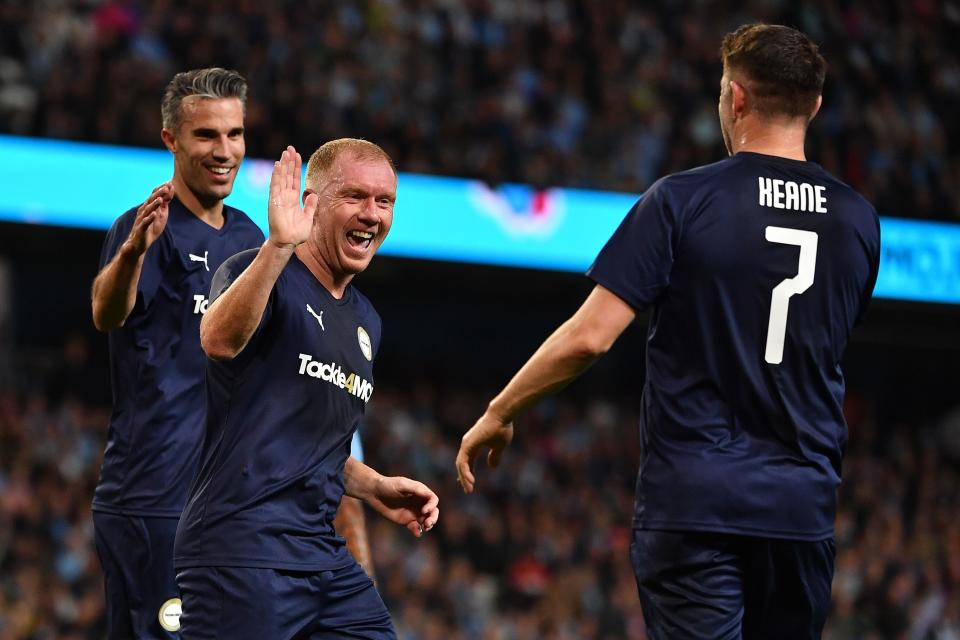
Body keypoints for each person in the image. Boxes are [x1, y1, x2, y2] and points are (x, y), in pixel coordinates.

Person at [456, 23, 881, 640]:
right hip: (800, 511)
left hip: (697, 505)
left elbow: (590, 337)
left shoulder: (682, 201)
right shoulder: (859, 221)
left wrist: (500, 410)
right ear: (814, 104)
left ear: (735, 97)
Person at [173, 141, 440, 639]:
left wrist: (375, 485)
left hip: (320, 557)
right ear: (312, 203)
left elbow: (314, 450)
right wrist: (277, 248)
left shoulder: (366, 322)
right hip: (242, 550)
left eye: (385, 202)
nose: (372, 214)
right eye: (356, 197)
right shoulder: (257, 272)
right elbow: (217, 339)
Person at [90, 67, 265, 639]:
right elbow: (106, 313)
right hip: (154, 498)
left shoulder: (249, 240)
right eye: (206, 135)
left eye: (234, 134)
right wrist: (135, 251)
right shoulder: (144, 229)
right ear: (171, 139)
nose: (225, 151)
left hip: (224, 505)